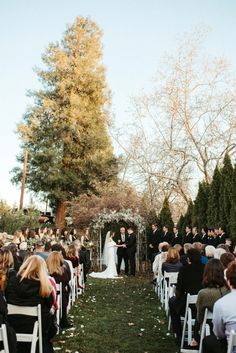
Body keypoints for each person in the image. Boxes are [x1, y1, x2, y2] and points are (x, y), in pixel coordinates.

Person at [5, 255, 55, 353]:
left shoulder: (11, 282)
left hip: (12, 325)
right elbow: (50, 305)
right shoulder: (44, 286)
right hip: (34, 327)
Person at [190, 259, 229, 348]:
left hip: (213, 330)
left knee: (198, 319)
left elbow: (199, 318)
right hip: (228, 329)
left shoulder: (203, 293)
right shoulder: (229, 290)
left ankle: (195, 340)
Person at [169, 248, 205, 344]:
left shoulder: (184, 269)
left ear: (189, 258)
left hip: (189, 305)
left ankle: (179, 334)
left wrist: (177, 296)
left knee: (172, 302)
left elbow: (179, 289)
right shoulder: (205, 268)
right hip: (203, 304)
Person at [202, 261, 236, 353]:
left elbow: (218, 333)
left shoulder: (221, 304)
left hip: (231, 347)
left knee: (208, 341)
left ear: (228, 281)